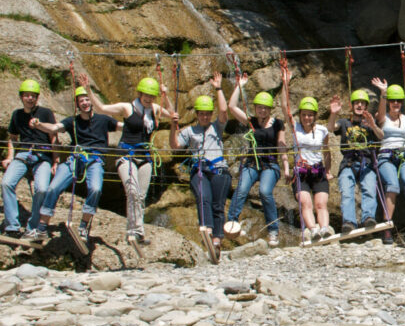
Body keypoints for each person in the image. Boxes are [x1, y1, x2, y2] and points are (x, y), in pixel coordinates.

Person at [87, 75, 171, 244]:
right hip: (126, 155)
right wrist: (88, 90)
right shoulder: (128, 107)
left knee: (141, 196)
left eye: (151, 96)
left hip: (145, 157)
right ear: (140, 94)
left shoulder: (155, 108)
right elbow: (102, 108)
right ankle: (132, 230)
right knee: (132, 190)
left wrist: (165, 96)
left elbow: (172, 114)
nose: (148, 98)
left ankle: (138, 232)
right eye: (145, 95)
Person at [33, 81, 119, 244]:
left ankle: (84, 226)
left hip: (96, 159)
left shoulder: (104, 120)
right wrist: (38, 124)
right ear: (78, 105)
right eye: (81, 101)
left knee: (95, 188)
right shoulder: (72, 121)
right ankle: (42, 227)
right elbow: (53, 128)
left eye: (87, 99)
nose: (85, 103)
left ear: (92, 101)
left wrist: (142, 122)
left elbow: (123, 126)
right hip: (76, 158)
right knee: (53, 187)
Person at [225, 75, 289, 246]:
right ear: (255, 109)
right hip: (252, 163)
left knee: (265, 192)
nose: (262, 111)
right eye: (259, 108)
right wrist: (239, 85)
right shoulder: (251, 122)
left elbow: (282, 146)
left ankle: (273, 230)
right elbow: (231, 107)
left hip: (270, 165)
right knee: (241, 189)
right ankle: (232, 222)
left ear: (269, 109)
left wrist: (286, 167)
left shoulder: (278, 124)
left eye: (265, 108)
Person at [169, 75, 231, 250]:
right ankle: (208, 229)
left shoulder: (217, 127)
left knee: (218, 205)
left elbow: (224, 112)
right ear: (197, 114)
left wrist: (218, 89)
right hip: (199, 170)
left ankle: (217, 240)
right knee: (203, 197)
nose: (204, 117)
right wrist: (173, 126)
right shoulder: (189, 131)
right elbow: (175, 146)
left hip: (219, 170)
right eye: (201, 114)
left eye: (207, 114)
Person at [0, 79, 57, 239]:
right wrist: (10, 156)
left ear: (37, 98)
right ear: (22, 97)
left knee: (42, 189)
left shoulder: (45, 113)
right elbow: (12, 137)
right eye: (27, 95)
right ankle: (12, 225)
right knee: (6, 183)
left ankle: (33, 227)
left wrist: (56, 161)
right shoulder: (17, 115)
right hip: (23, 154)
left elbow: (53, 137)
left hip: (43, 155)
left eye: (33, 96)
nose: (30, 98)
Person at [370, 78, 405, 245]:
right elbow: (381, 111)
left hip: (404, 156)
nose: (396, 103)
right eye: (393, 101)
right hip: (386, 156)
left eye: (399, 101)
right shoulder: (382, 118)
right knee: (393, 185)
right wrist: (383, 93)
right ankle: (387, 228)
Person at [328, 89, 383, 234]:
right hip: (348, 162)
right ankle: (349, 222)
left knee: (369, 189)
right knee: (347, 192)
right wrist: (333, 113)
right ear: (352, 105)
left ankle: (368, 217)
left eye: (362, 103)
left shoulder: (370, 122)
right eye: (357, 103)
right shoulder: (344, 122)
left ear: (366, 106)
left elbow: (381, 136)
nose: (359, 105)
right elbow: (331, 128)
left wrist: (373, 125)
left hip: (367, 163)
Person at [288, 95, 334, 242]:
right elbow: (285, 107)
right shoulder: (295, 128)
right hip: (301, 172)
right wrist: (284, 83)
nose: (306, 118)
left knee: (321, 204)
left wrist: (328, 170)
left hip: (318, 171)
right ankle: (313, 230)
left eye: (310, 115)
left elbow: (326, 151)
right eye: (304, 115)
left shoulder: (322, 130)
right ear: (300, 115)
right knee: (305, 203)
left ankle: (325, 229)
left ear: (314, 116)